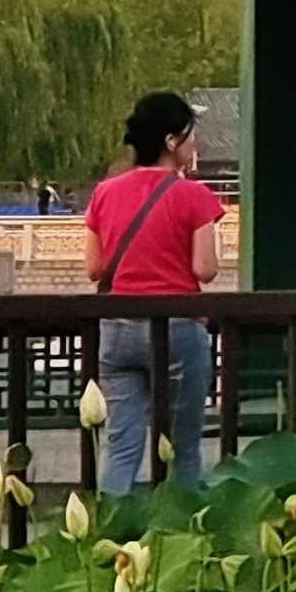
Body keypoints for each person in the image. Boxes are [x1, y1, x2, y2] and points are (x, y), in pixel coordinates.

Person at [83, 89, 228, 491]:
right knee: (184, 448)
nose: (195, 143)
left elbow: (94, 268)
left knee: (121, 446)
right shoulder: (195, 196)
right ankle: (185, 523)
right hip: (178, 329)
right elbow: (205, 270)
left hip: (116, 329)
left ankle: (111, 521)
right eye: (190, 135)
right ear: (171, 141)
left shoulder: (104, 193)